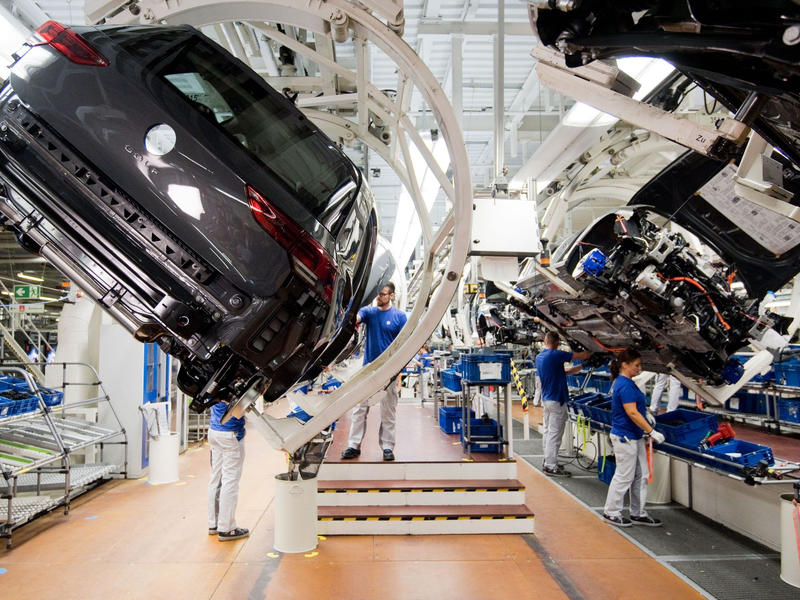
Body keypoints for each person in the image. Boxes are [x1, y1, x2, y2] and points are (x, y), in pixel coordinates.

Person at [342, 282, 408, 461]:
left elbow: (404, 346)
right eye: (377, 294)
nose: (379, 297)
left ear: (392, 296)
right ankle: (353, 446)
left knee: (388, 411)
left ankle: (387, 447)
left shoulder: (399, 317)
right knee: (359, 408)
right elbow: (357, 317)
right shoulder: (370, 313)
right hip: (369, 369)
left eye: (383, 294)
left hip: (389, 372)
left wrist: (399, 372)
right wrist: (350, 314)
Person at [603, 347, 666, 528]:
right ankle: (611, 512)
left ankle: (638, 513)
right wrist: (651, 431)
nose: (640, 368)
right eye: (637, 365)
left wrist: (645, 413)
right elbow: (631, 412)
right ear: (625, 365)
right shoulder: (624, 385)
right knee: (624, 476)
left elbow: (635, 409)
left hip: (634, 436)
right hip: (625, 438)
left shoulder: (627, 383)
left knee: (641, 476)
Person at [536, 331, 593, 477]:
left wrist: (584, 366)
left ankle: (547, 460)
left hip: (547, 401)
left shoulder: (540, 357)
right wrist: (594, 350)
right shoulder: (555, 355)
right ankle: (551, 466)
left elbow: (565, 372)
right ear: (556, 343)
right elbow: (583, 355)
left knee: (549, 432)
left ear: (545, 342)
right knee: (555, 435)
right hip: (557, 400)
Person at [207, 401, 249, 541]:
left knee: (216, 479)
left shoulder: (213, 380)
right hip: (230, 434)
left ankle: (214, 523)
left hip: (214, 431)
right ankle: (227, 528)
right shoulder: (232, 381)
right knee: (230, 481)